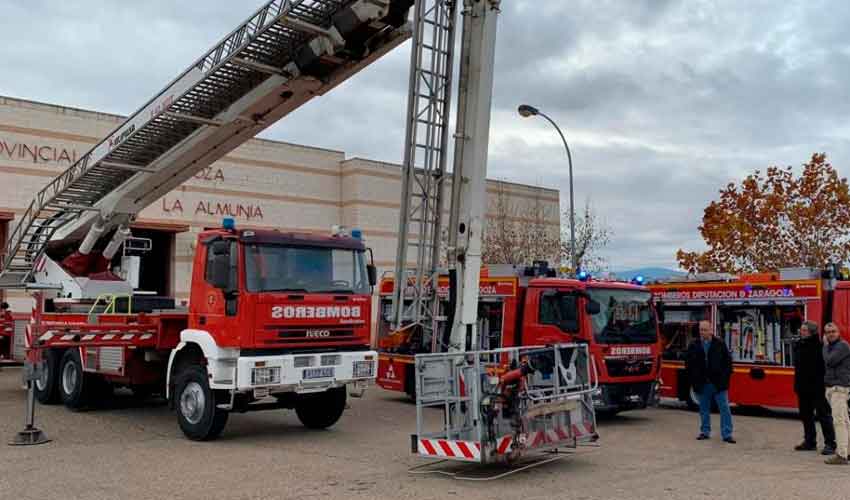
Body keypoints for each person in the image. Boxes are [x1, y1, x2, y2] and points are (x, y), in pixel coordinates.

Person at [686, 320, 735, 443]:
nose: (702, 332)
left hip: (718, 384)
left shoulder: (720, 344)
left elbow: (728, 364)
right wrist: (694, 380)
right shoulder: (694, 345)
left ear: (711, 330)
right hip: (702, 384)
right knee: (704, 409)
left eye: (705, 330)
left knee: (724, 409)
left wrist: (724, 380)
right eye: (701, 330)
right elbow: (688, 364)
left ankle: (727, 434)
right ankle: (705, 432)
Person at [793, 321, 836, 454]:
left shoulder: (820, 346)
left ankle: (830, 444)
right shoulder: (800, 344)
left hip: (818, 387)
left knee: (824, 415)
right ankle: (810, 441)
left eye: (804, 330)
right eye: (801, 329)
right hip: (802, 387)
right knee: (805, 415)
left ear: (811, 332)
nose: (801, 331)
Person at [822, 322, 850, 465]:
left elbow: (830, 360)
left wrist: (825, 346)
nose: (830, 334)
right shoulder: (834, 346)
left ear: (838, 332)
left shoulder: (842, 346)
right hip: (834, 387)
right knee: (844, 421)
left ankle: (841, 455)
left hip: (839, 388)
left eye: (833, 331)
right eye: (828, 332)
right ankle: (847, 451)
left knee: (839, 422)